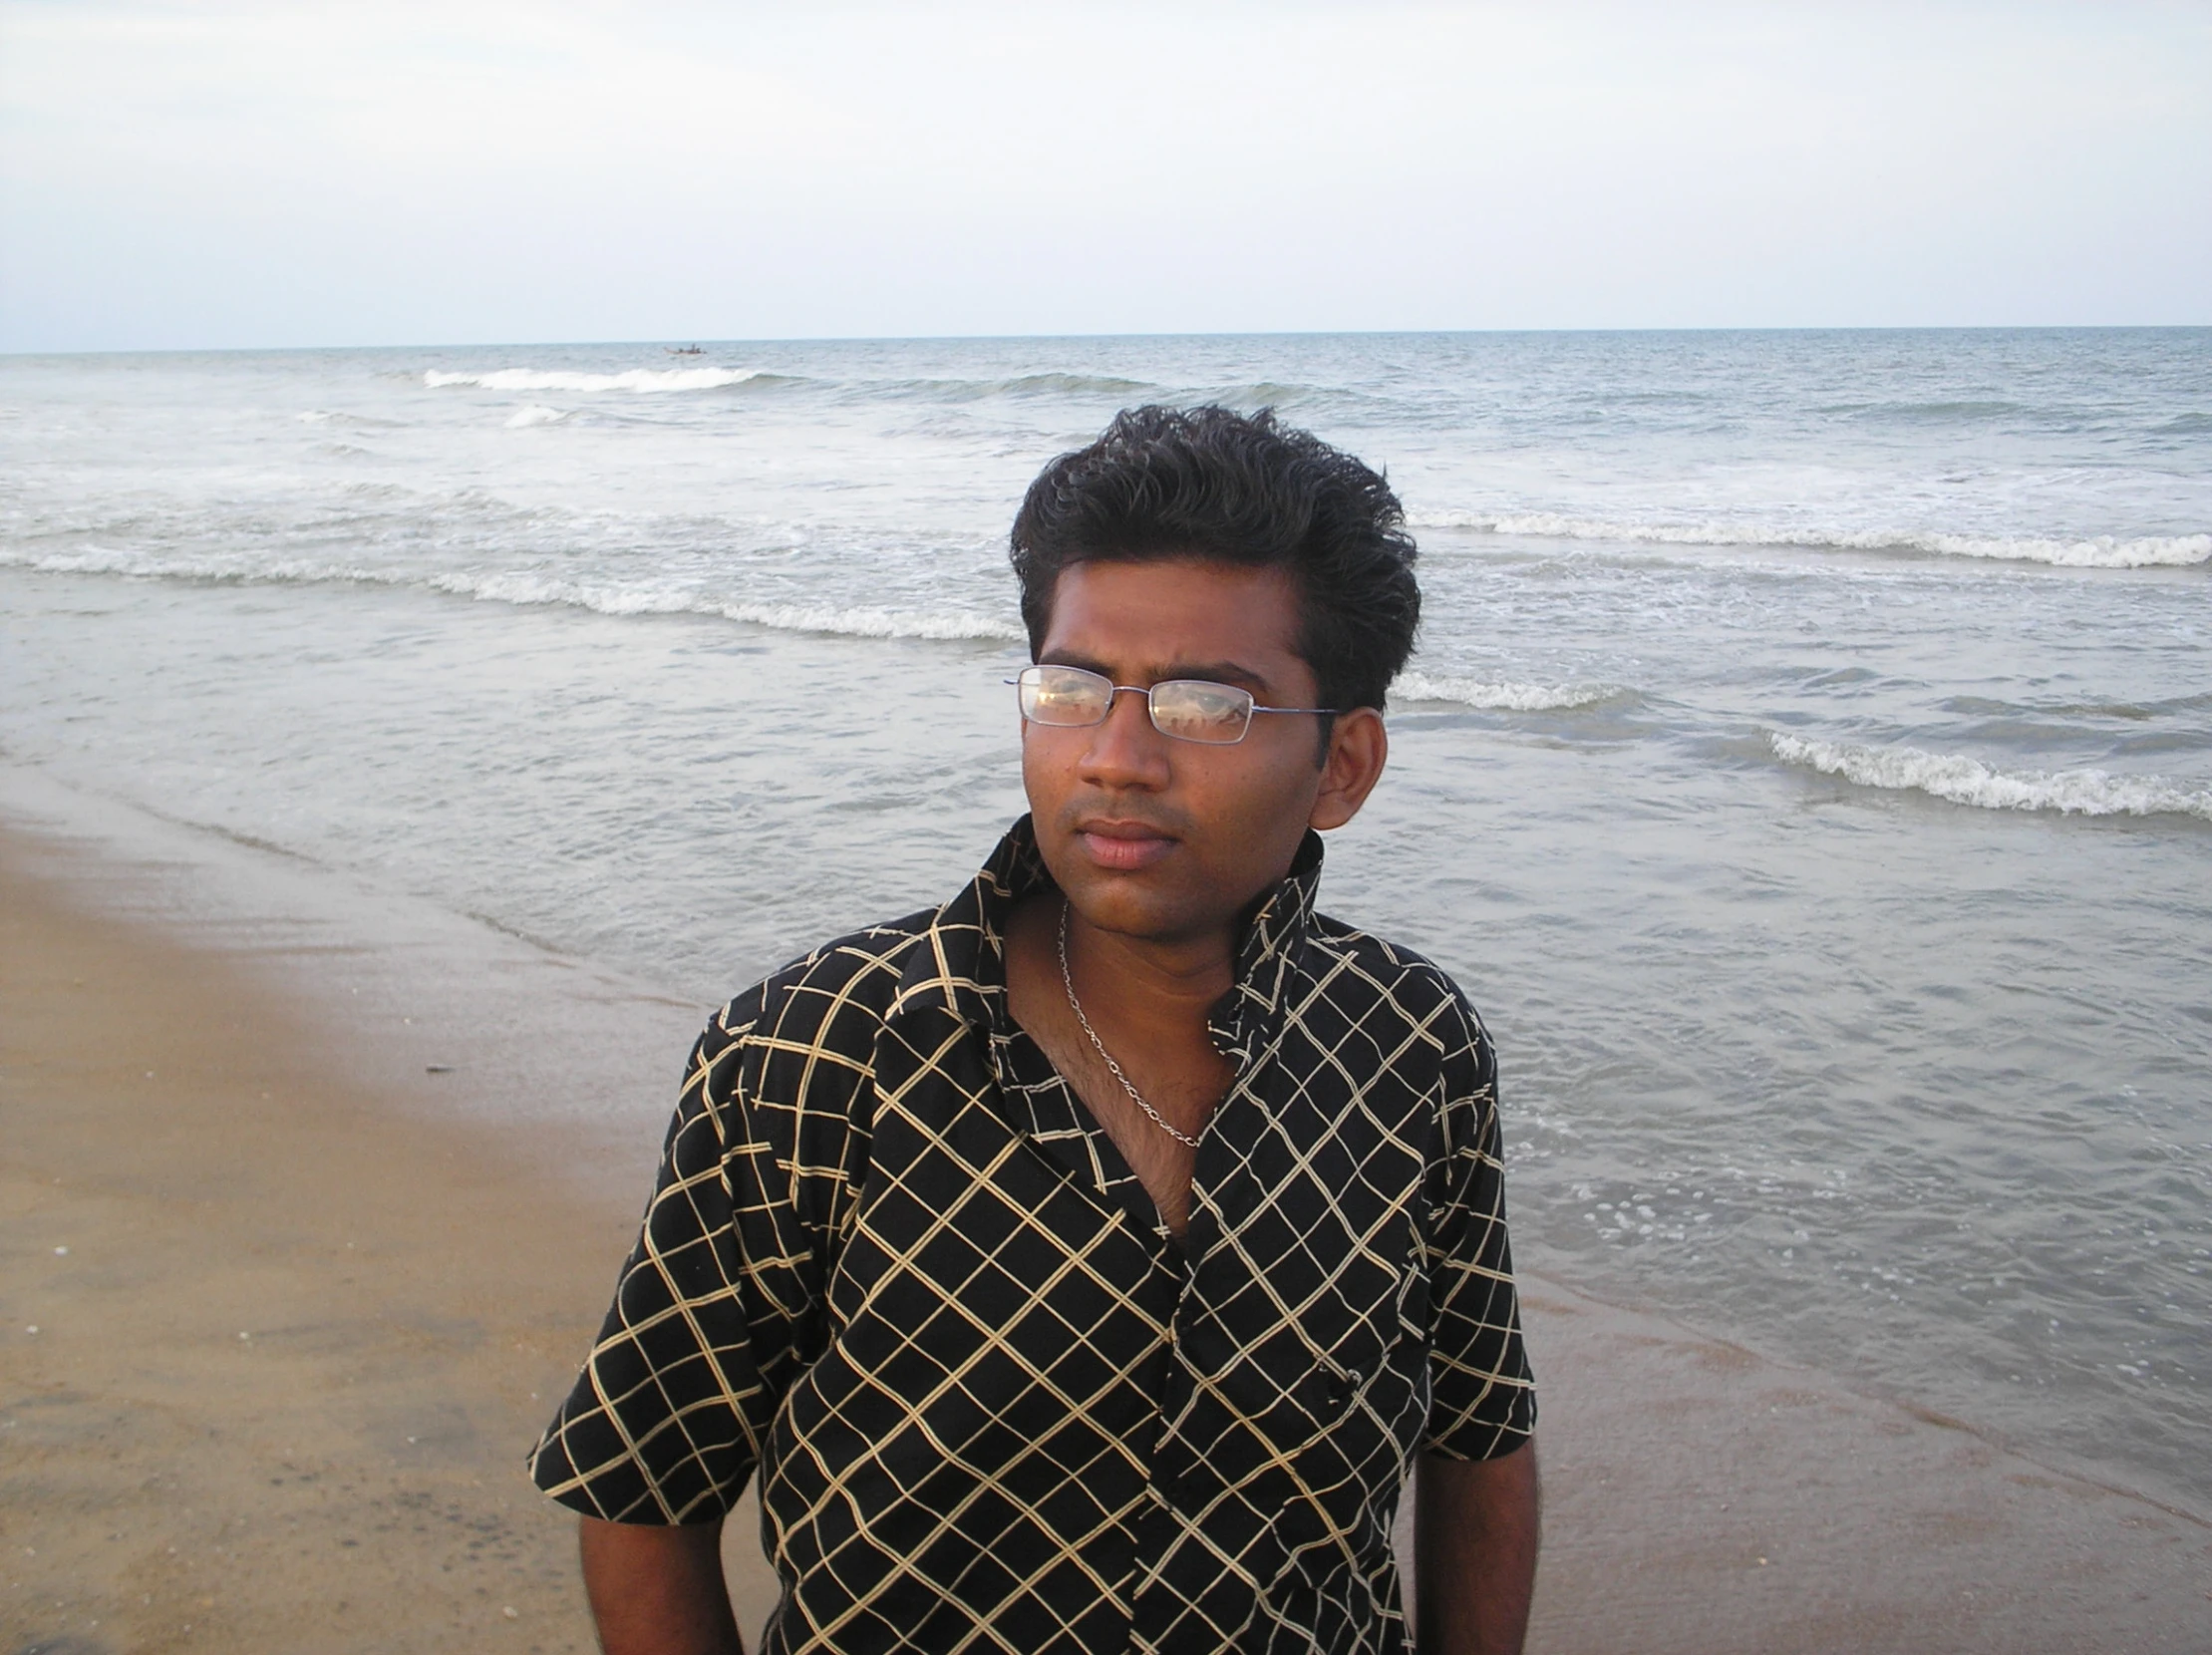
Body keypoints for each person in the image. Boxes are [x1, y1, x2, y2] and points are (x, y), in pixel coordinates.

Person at [528, 405, 1540, 1655]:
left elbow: (1477, 1434)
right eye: (1071, 690)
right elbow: (643, 1484)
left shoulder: (1404, 1046)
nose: (1114, 759)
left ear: (1342, 765)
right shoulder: (813, 1052)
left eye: (1202, 706)